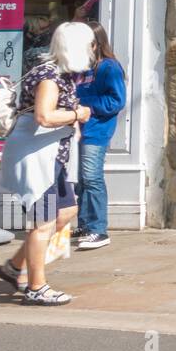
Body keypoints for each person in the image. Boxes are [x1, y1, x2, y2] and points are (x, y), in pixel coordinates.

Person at [0, 21, 95, 305]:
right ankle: (36, 288)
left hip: (53, 158)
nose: (92, 49)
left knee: (66, 212)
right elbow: (44, 117)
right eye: (89, 44)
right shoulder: (50, 77)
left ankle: (14, 267)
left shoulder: (60, 74)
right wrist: (78, 113)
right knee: (44, 222)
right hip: (37, 159)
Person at [73, 22, 127, 250]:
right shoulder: (81, 68)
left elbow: (117, 101)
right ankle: (85, 225)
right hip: (78, 131)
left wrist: (84, 104)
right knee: (82, 180)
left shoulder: (109, 67)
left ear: (95, 43)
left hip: (97, 130)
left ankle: (98, 229)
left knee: (92, 177)